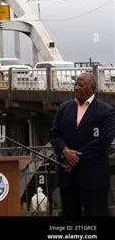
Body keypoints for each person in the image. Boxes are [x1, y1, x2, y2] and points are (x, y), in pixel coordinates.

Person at [49, 72, 115, 216]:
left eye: (81, 85)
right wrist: (65, 151)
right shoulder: (64, 108)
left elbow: (104, 140)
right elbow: (54, 134)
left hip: (94, 178)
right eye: (75, 84)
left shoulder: (106, 111)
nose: (76, 88)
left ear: (92, 88)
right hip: (68, 178)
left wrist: (74, 158)